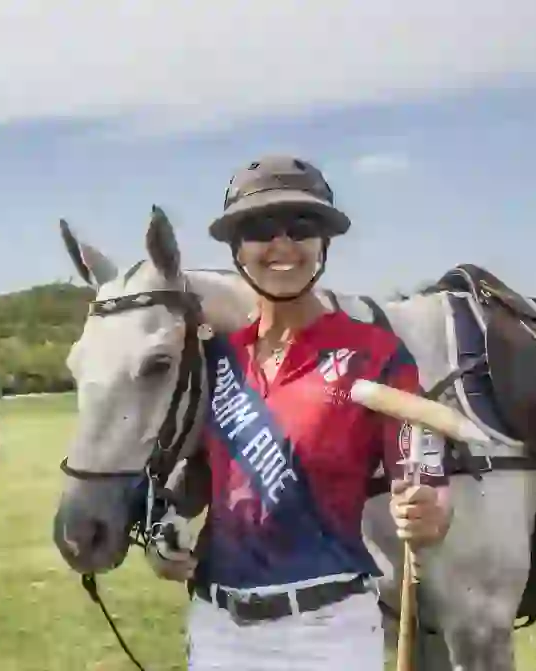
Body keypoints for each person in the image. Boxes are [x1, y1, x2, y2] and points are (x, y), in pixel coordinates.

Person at [147, 155, 453, 670]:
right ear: (236, 249)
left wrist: (428, 512)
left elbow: (426, 483)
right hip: (218, 628)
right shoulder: (215, 358)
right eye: (260, 228)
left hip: (327, 630)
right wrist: (165, 540)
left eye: (302, 227)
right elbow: (198, 475)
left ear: (324, 244)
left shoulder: (377, 355)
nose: (282, 245)